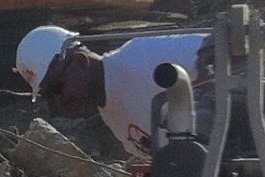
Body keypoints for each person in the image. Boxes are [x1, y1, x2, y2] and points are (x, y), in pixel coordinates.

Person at [16, 24, 208, 157]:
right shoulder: (113, 118)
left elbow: (218, 47)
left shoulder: (142, 55)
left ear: (81, 62)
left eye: (57, 88)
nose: (59, 100)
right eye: (48, 95)